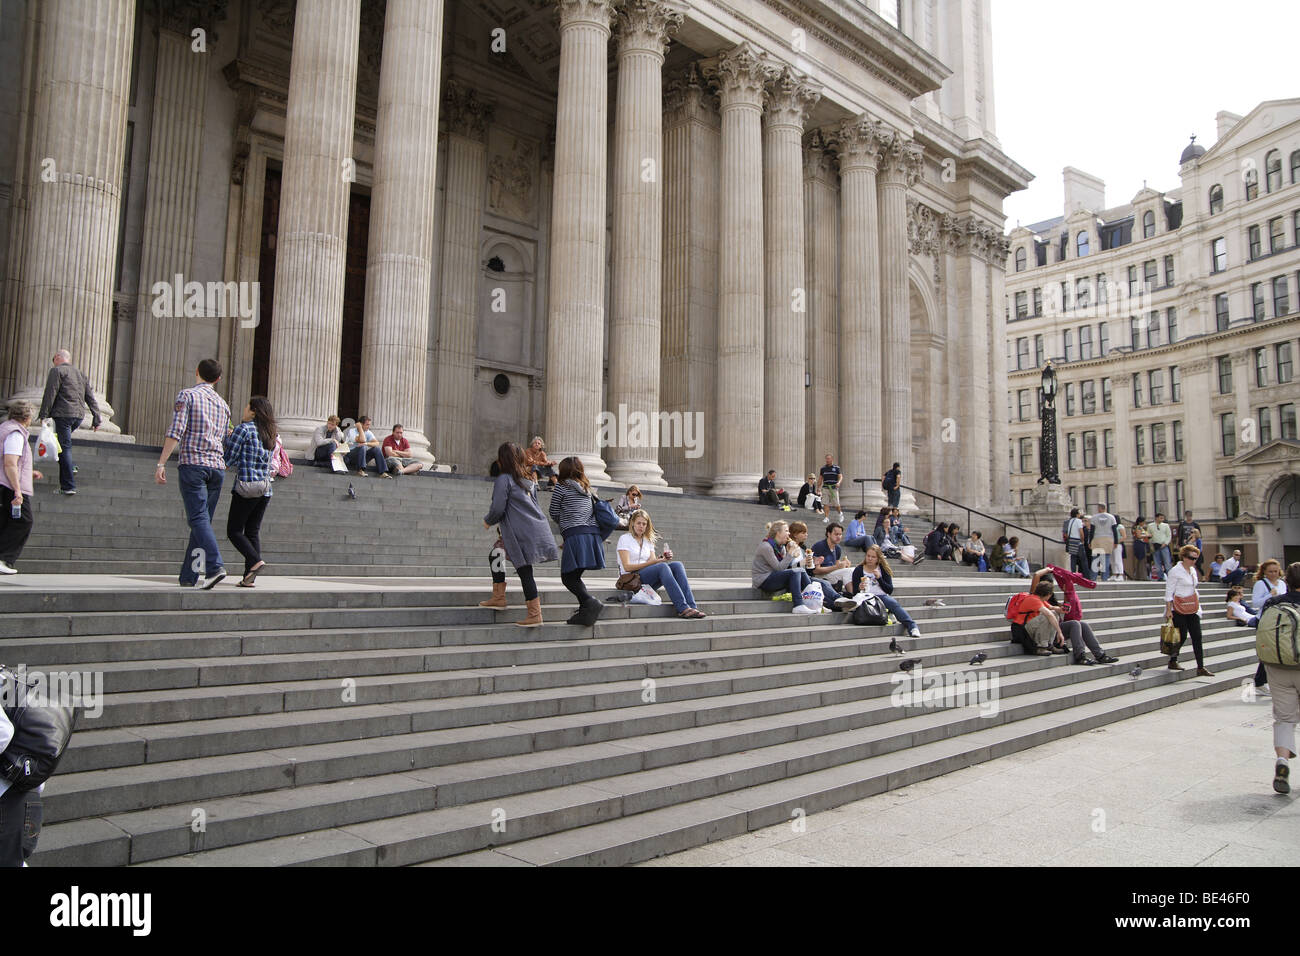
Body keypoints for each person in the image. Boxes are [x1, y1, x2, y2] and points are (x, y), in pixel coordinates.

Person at [155, 359, 230, 589]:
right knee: (202, 521)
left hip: (194, 464)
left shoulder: (187, 395)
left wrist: (161, 462)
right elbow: (225, 437)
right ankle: (189, 576)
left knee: (198, 519)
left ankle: (215, 566)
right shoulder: (224, 405)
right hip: (217, 467)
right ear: (218, 379)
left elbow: (176, 430)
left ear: (196, 372)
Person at [481, 442, 559, 626]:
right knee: (497, 555)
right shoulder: (528, 479)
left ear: (502, 459)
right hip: (533, 527)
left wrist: (488, 520)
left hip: (519, 531)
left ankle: (533, 613)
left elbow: (498, 507)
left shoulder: (504, 479)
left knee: (523, 569)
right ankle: (499, 597)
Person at [1255, 562, 1300, 793]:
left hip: (1278, 666)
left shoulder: (1273, 602)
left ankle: (1282, 761)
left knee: (1284, 718)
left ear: (1287, 581)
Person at [224, 396, 275, 587]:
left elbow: (229, 458)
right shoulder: (269, 433)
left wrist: (227, 439)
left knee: (234, 530)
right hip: (265, 488)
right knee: (252, 531)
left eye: (247, 406)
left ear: (253, 411)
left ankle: (254, 560)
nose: (244, 409)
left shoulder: (243, 429)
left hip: (247, 486)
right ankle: (248, 577)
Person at [548, 457, 605, 626]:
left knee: (568, 578)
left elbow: (553, 511)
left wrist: (565, 522)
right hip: (592, 535)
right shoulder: (587, 487)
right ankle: (585, 611)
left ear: (563, 470)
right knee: (575, 576)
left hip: (575, 535)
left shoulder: (561, 486)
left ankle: (591, 602)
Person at [618, 509, 705, 618]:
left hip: (645, 579)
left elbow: (654, 565)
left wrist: (662, 559)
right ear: (632, 524)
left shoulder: (647, 540)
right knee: (662, 567)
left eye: (644, 524)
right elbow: (627, 567)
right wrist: (656, 562)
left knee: (677, 565)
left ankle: (692, 606)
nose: (641, 526)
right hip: (630, 580)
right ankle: (683, 608)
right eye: (638, 523)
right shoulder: (624, 539)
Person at [37, 349, 101, 495]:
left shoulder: (57, 371)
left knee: (63, 447)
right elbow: (90, 397)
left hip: (62, 415)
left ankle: (68, 486)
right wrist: (96, 417)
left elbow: (50, 393)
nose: (53, 362)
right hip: (78, 416)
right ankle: (71, 467)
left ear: (59, 357)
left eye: (54, 359)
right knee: (59, 444)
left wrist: (43, 415)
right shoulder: (80, 374)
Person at [1032, 565, 1119, 665]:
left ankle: (1100, 655)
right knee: (1074, 624)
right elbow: (1036, 575)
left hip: (1055, 629)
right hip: (1045, 631)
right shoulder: (1035, 596)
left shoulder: (1050, 598)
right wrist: (1048, 570)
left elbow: (1063, 609)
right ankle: (1080, 656)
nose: (1050, 592)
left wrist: (1066, 593)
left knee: (1083, 624)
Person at [0, 401, 44, 575]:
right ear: (27, 418)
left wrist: (28, 472)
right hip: (10, 485)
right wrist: (18, 491)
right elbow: (10, 463)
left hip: (6, 483)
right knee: (23, 521)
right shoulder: (16, 434)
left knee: (6, 521)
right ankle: (4, 558)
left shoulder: (5, 428)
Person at [843, 544, 921, 637]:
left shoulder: (882, 569)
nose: (870, 559)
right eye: (868, 556)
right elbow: (855, 592)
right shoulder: (859, 570)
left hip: (881, 596)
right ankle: (888, 614)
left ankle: (912, 626)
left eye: (873, 557)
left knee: (893, 603)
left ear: (878, 558)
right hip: (865, 597)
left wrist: (879, 578)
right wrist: (859, 588)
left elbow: (889, 590)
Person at [753, 519, 819, 611]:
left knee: (801, 570)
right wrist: (790, 554)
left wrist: (791, 553)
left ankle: (814, 602)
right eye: (786, 531)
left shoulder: (781, 547)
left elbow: (786, 567)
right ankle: (798, 605)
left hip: (773, 576)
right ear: (778, 533)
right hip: (763, 580)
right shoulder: (766, 546)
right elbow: (779, 568)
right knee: (795, 572)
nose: (789, 534)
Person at [1165, 544, 1211, 675]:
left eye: (1196, 558)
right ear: (1184, 557)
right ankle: (1173, 659)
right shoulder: (1175, 571)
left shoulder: (1192, 570)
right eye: (1191, 558)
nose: (1194, 561)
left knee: (1197, 636)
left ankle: (1200, 667)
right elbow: (1169, 592)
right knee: (1182, 635)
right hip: (1178, 607)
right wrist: (1168, 610)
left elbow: (1193, 588)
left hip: (1192, 606)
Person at [788, 521, 838, 605]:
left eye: (806, 533)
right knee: (822, 584)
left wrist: (814, 562)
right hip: (795, 579)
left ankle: (839, 600)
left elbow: (809, 571)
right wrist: (802, 563)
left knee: (825, 583)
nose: (806, 535)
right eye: (803, 533)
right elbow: (787, 568)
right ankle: (838, 601)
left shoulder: (803, 548)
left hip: (804, 577)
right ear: (795, 534)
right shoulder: (789, 547)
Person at [810, 522, 855, 594]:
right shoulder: (819, 546)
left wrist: (845, 565)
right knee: (848, 571)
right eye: (836, 534)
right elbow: (815, 571)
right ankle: (852, 595)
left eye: (840, 534)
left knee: (853, 570)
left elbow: (837, 567)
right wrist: (837, 567)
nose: (839, 537)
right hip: (819, 577)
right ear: (828, 534)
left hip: (831, 575)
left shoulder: (837, 548)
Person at [1089, 508, 1116, 581]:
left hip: (1097, 539)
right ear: (1105, 508)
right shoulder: (1111, 517)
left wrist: (1090, 541)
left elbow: (1092, 531)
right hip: (1108, 539)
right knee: (1106, 559)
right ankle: (1104, 578)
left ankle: (1093, 578)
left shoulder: (1094, 517)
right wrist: (1115, 541)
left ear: (1099, 508)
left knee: (1095, 560)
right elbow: (1114, 530)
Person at [817, 454, 845, 523]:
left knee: (836, 504)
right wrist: (818, 487)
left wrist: (838, 483)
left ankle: (840, 513)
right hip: (825, 487)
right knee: (825, 503)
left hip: (833, 488)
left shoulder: (836, 468)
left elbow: (840, 477)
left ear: (832, 459)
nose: (827, 460)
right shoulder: (823, 469)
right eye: (826, 459)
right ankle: (826, 517)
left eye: (829, 459)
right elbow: (820, 478)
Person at [1149, 512, 1173, 580]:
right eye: (1160, 518)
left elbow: (1169, 535)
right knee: (1157, 562)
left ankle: (1170, 576)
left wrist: (1165, 543)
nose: (1162, 519)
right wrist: (1151, 545)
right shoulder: (1150, 526)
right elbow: (1149, 536)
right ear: (1156, 518)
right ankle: (1160, 576)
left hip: (1164, 545)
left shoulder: (1166, 525)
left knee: (1167, 562)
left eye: (1163, 518)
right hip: (1155, 545)